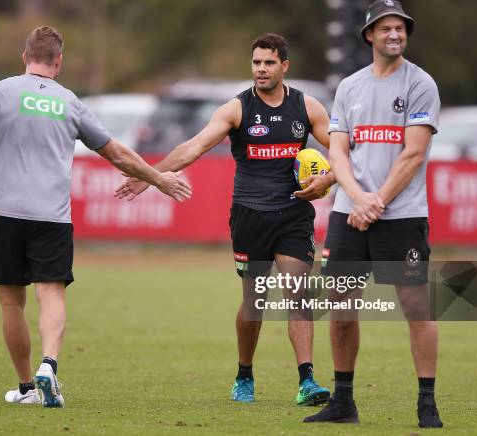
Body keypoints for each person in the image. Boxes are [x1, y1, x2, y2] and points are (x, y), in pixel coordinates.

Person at [0, 26, 191, 408]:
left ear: (25, 57)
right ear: (59, 61)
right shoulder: (70, 102)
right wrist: (158, 180)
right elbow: (117, 153)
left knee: (11, 303)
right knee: (51, 293)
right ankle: (49, 365)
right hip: (51, 216)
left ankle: (25, 388)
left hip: (4, 213)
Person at [115, 33, 336, 406]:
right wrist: (150, 176)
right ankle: (244, 374)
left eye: (268, 63)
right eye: (256, 63)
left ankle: (307, 381)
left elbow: (343, 151)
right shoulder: (236, 109)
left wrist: (327, 179)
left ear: (284, 66)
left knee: (298, 293)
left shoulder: (307, 108)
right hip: (249, 215)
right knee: (255, 300)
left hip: (293, 214)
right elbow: (193, 147)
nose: (261, 69)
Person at [303, 0, 443, 428]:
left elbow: (414, 153)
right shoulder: (349, 87)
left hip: (400, 217)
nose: (394, 35)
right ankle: (343, 402)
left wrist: (375, 201)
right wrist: (356, 199)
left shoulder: (421, 84)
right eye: (386, 29)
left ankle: (426, 404)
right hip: (349, 215)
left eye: (401, 29)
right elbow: (339, 151)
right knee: (341, 306)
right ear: (369, 35)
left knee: (416, 307)